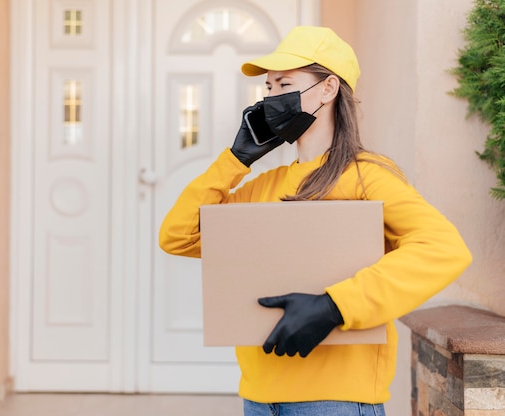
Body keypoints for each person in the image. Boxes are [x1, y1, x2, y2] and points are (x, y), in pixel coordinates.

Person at [159, 26, 472, 416]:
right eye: (269, 88)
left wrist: (334, 306)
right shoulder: (263, 186)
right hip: (259, 398)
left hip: (335, 399)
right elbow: (177, 236)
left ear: (328, 89)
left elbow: (444, 249)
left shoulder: (366, 175)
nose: (272, 98)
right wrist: (235, 161)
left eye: (285, 84)